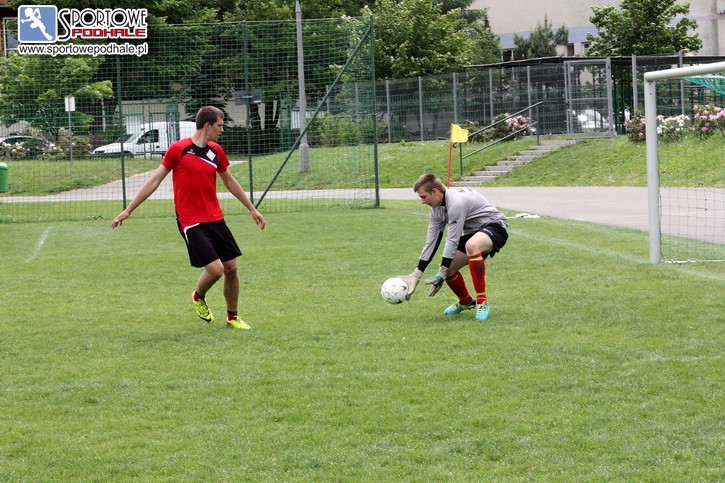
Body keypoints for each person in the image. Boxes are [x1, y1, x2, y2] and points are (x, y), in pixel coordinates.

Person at [111, 106, 266, 330]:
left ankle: (232, 316)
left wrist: (252, 209)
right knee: (216, 270)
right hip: (191, 221)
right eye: (219, 125)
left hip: (215, 217)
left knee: (231, 268)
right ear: (207, 126)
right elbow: (154, 181)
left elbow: (230, 182)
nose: (222, 130)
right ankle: (198, 296)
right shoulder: (178, 149)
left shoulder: (216, 151)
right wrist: (129, 210)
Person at [399, 174, 508, 321]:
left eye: (423, 197)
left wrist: (441, 271)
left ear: (435, 192)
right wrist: (417, 273)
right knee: (449, 268)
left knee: (472, 246)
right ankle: (466, 302)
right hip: (472, 233)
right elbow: (432, 241)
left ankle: (482, 302)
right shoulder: (436, 209)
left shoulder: (456, 202)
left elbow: (452, 239)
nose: (422, 202)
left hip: (495, 226)